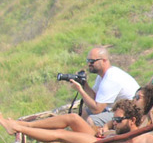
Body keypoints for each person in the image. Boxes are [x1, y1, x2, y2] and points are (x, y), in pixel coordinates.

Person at [1, 47, 139, 138]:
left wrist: (80, 90)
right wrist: (84, 85)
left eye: (92, 61)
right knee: (84, 113)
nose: (89, 64)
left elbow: (97, 108)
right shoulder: (104, 76)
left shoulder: (112, 78)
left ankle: (21, 126)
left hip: (122, 117)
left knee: (82, 119)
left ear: (104, 61)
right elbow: (96, 99)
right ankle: (21, 125)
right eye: (87, 61)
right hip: (118, 113)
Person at [1, 83, 153, 143]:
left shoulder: (144, 120)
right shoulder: (130, 111)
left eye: (139, 98)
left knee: (61, 135)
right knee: (73, 118)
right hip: (105, 136)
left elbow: (130, 140)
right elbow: (114, 123)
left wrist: (110, 132)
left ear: (148, 101)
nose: (134, 99)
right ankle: (23, 125)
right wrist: (107, 127)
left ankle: (16, 128)